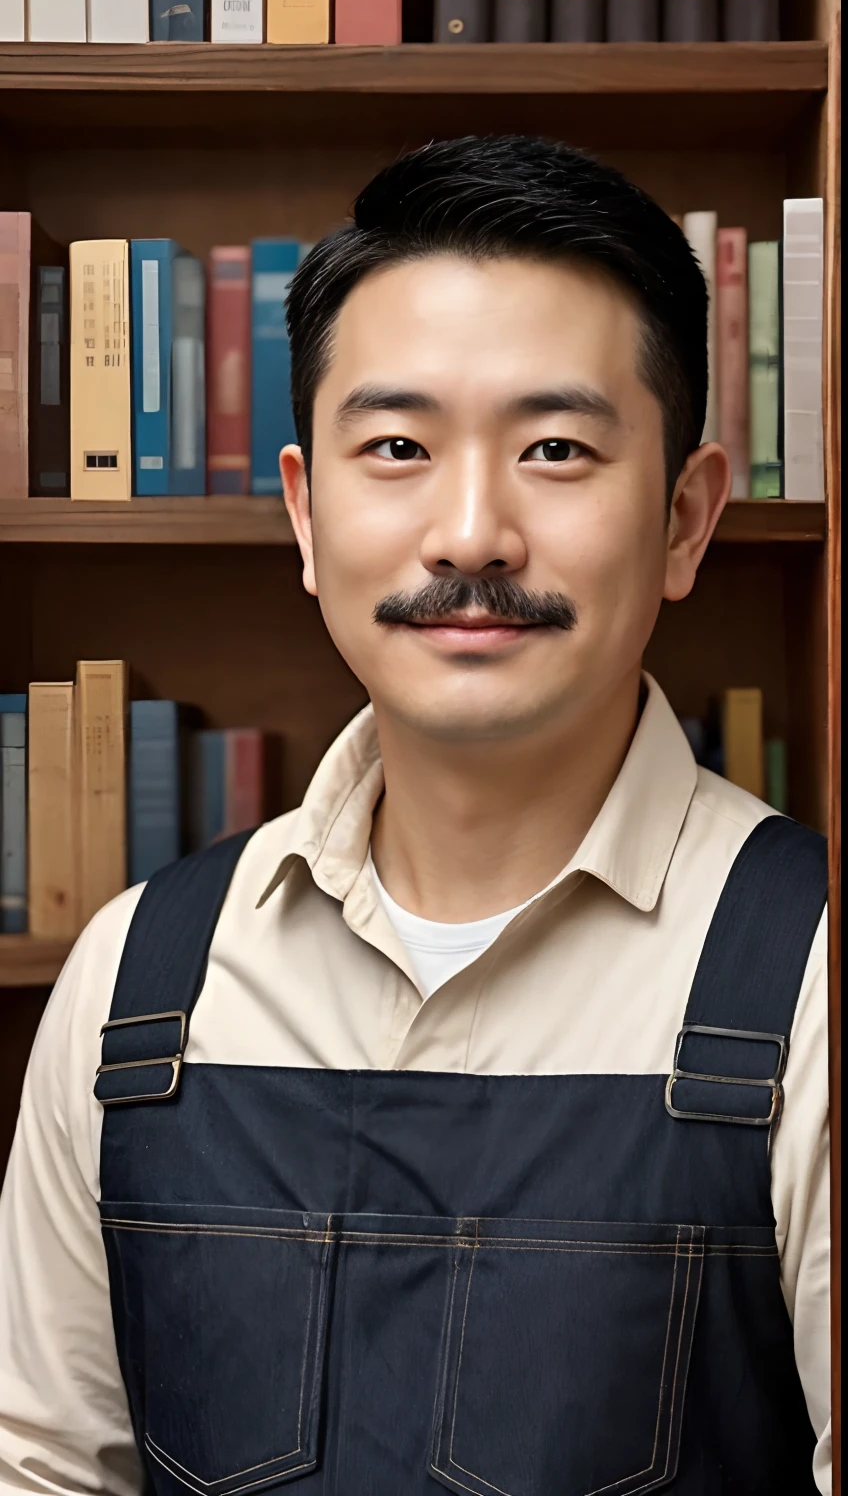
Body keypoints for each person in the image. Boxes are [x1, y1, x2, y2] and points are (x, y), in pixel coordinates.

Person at [0, 136, 830, 1495]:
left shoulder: (813, 979)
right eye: (397, 446)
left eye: (555, 447)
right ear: (307, 514)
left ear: (685, 520)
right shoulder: (136, 980)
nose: (470, 533)